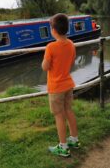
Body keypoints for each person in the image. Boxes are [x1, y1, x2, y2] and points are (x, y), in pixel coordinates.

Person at [42, 13, 79, 157]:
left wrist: (45, 60)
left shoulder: (50, 47)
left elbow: (45, 67)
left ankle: (63, 146)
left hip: (56, 87)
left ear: (53, 30)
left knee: (59, 116)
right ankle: (74, 139)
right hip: (68, 84)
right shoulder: (71, 44)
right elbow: (71, 62)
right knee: (69, 110)